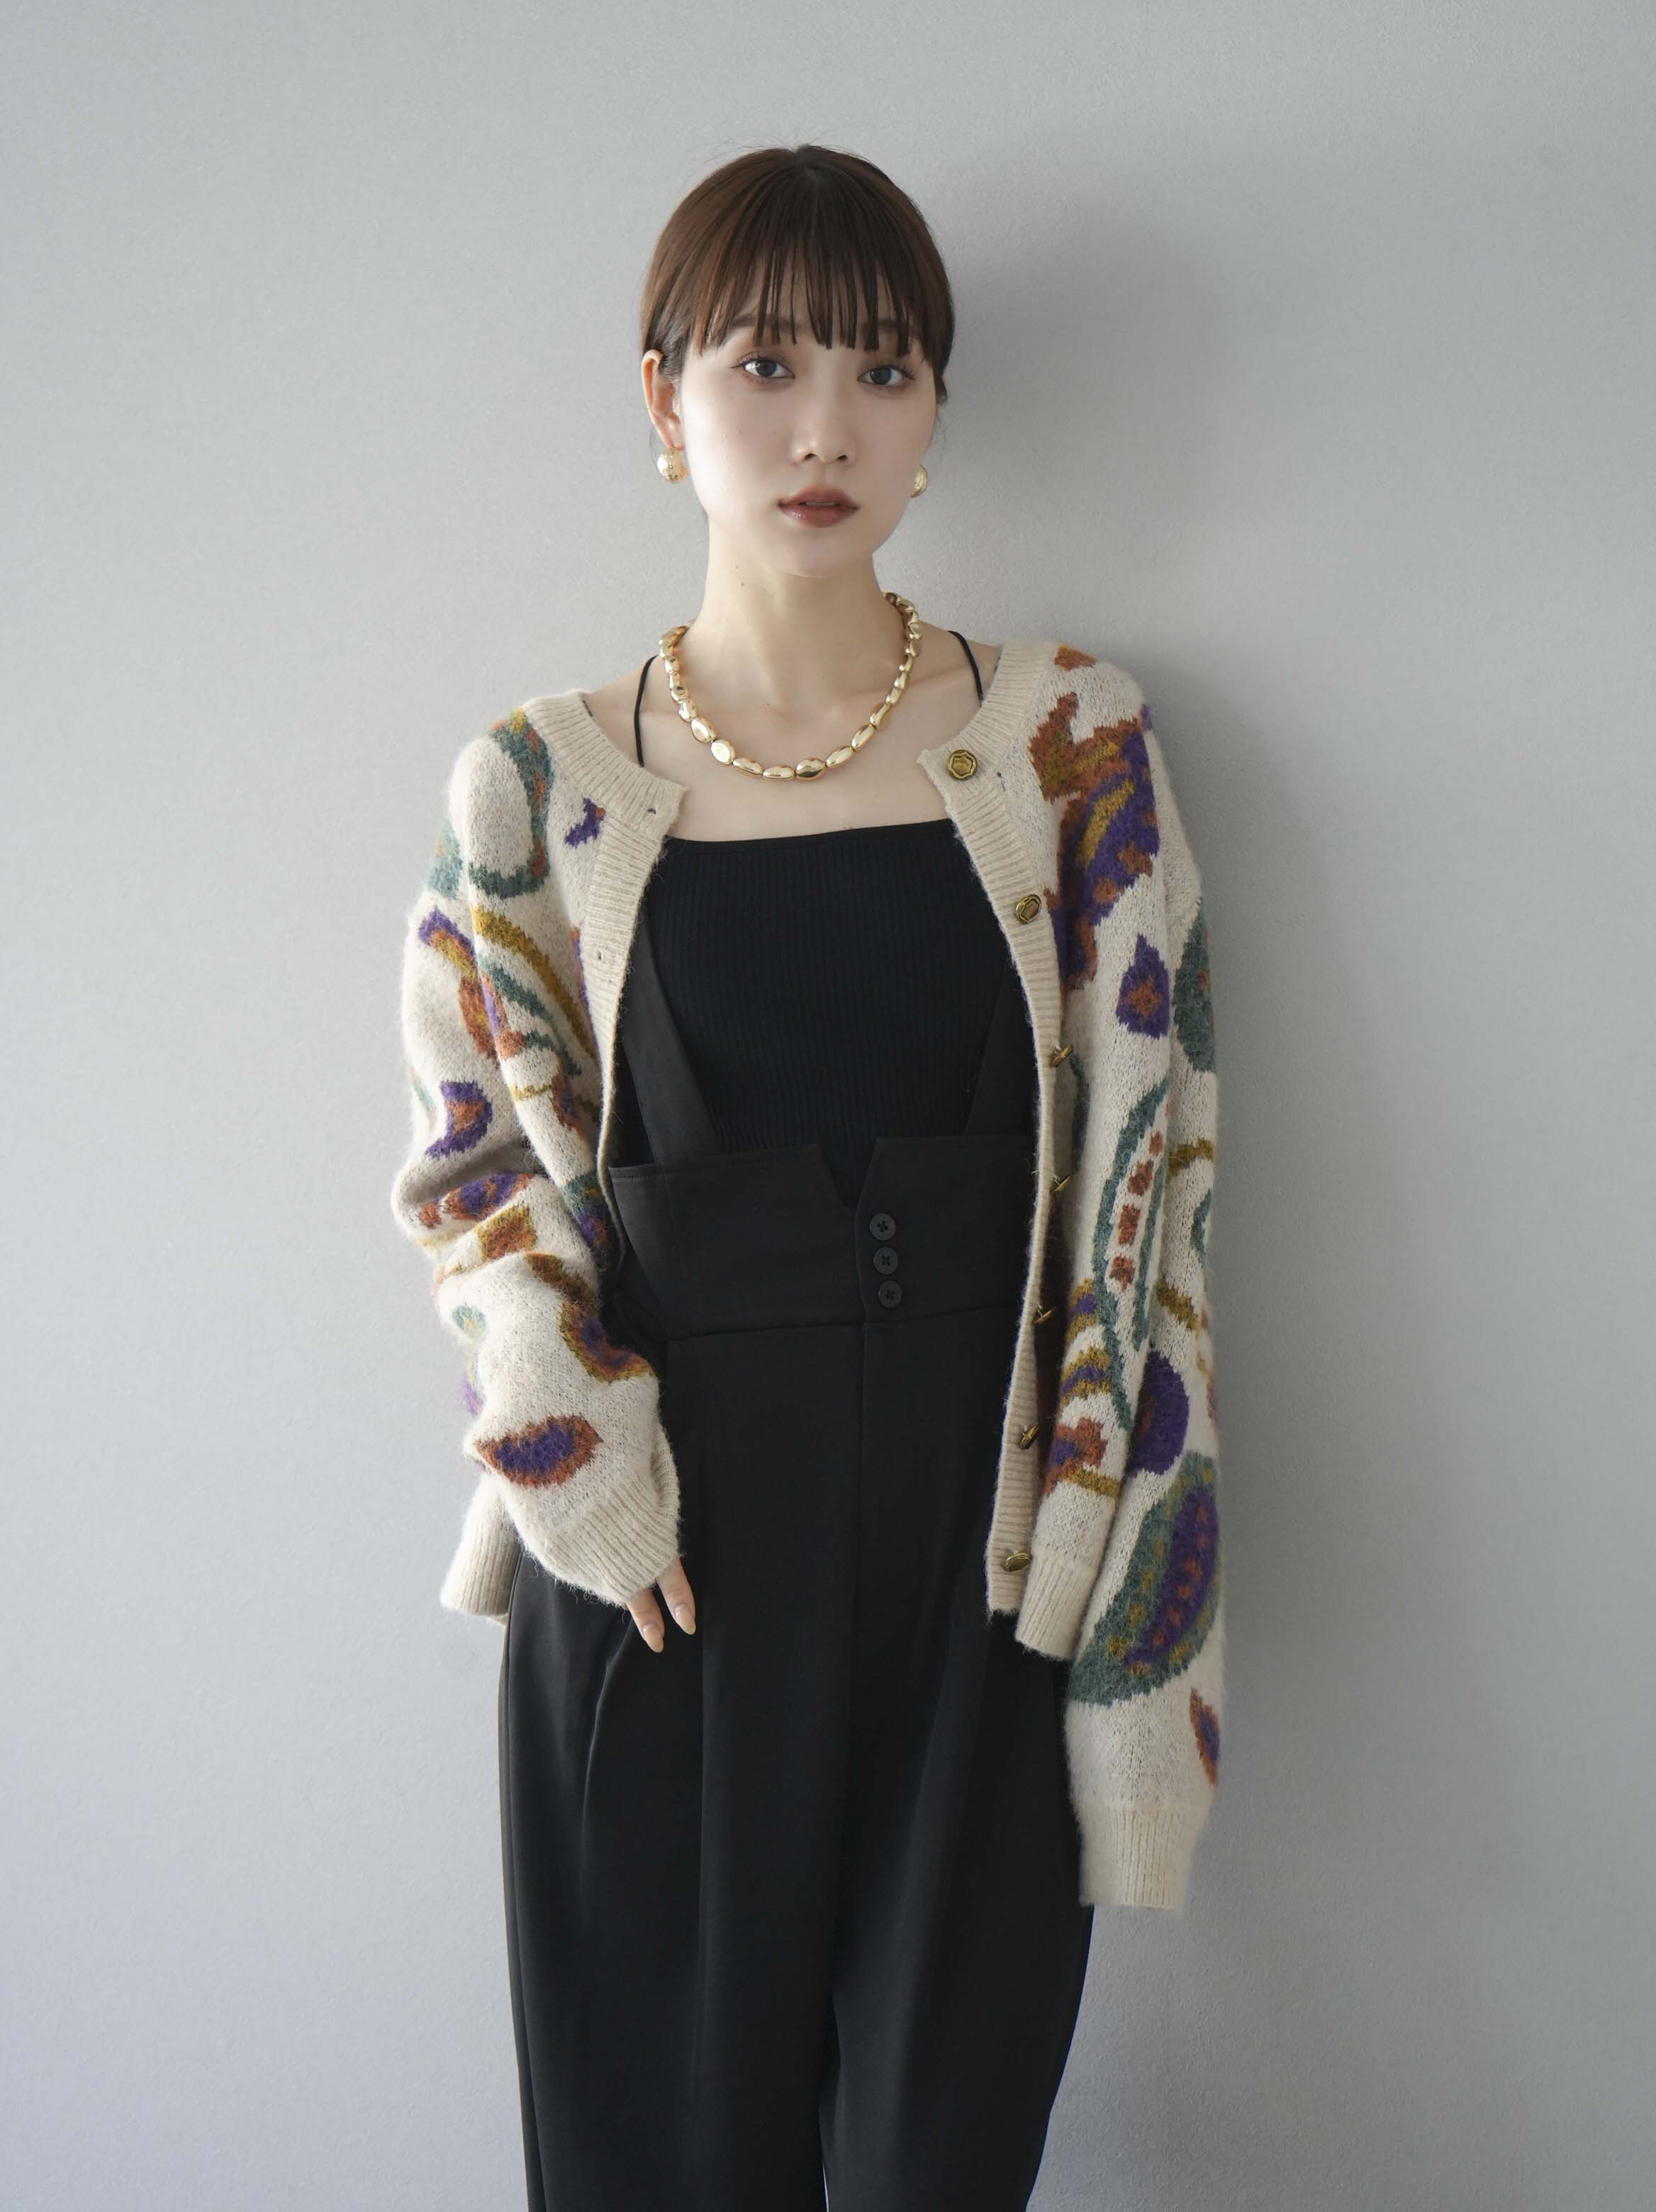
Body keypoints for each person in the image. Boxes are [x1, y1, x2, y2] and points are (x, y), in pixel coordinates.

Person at [390, 142, 1224, 2212]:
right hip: (666, 1581)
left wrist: (1131, 1608)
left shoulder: (1073, 746)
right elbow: (473, 1174)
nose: (826, 426)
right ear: (662, 398)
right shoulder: (539, 783)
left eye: (882, 369)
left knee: (938, 2164)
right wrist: (575, 1470)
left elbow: (1161, 1193)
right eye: (766, 364)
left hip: (986, 1571)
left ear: (936, 415)